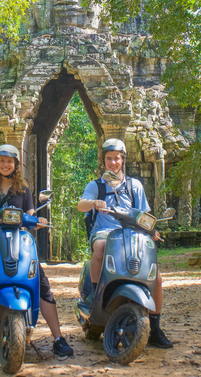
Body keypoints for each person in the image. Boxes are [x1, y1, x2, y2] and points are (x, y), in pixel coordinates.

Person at [0, 144, 74, 357]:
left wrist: (38, 219)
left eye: (10, 161)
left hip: (18, 241)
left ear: (16, 164)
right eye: (2, 160)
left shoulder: (23, 189)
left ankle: (58, 337)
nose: (6, 164)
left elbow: (30, 213)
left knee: (40, 282)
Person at [77, 138, 174, 349]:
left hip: (132, 234)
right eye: (109, 159)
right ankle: (95, 293)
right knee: (100, 247)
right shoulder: (96, 186)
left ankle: (155, 327)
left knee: (156, 278)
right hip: (104, 232)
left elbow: (144, 215)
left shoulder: (134, 185)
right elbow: (81, 205)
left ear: (123, 160)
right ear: (103, 161)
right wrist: (94, 203)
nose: (113, 163)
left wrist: (153, 230)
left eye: (116, 159)